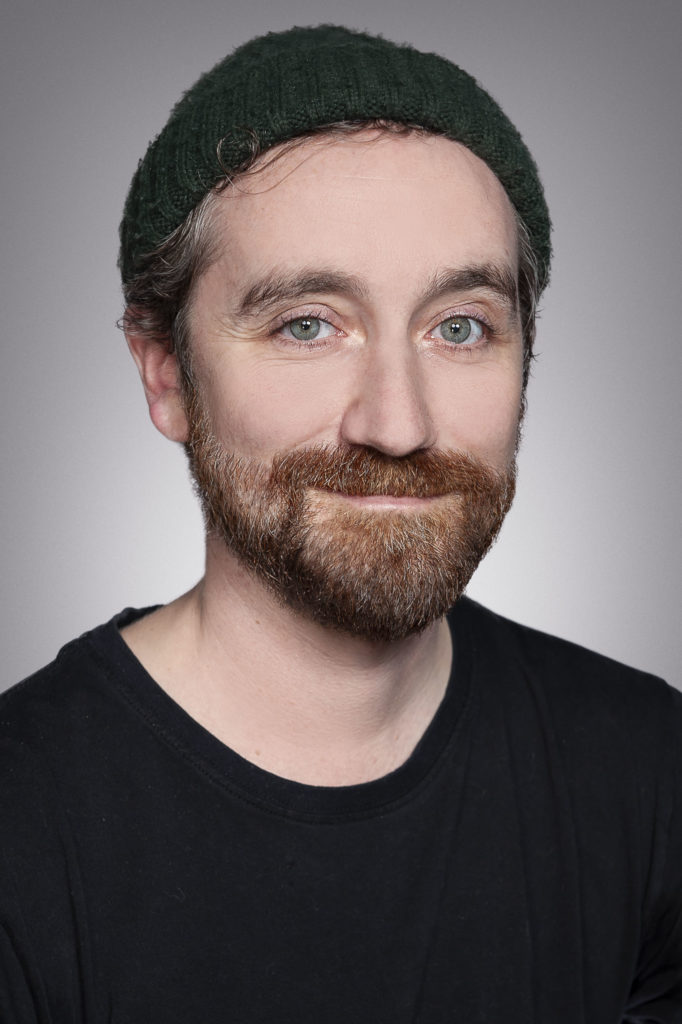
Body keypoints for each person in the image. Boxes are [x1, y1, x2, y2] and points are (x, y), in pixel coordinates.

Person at [1, 24, 680, 1023]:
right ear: (166, 376)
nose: (397, 424)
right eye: (306, 323)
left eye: (460, 326)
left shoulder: (650, 770)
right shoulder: (22, 828)